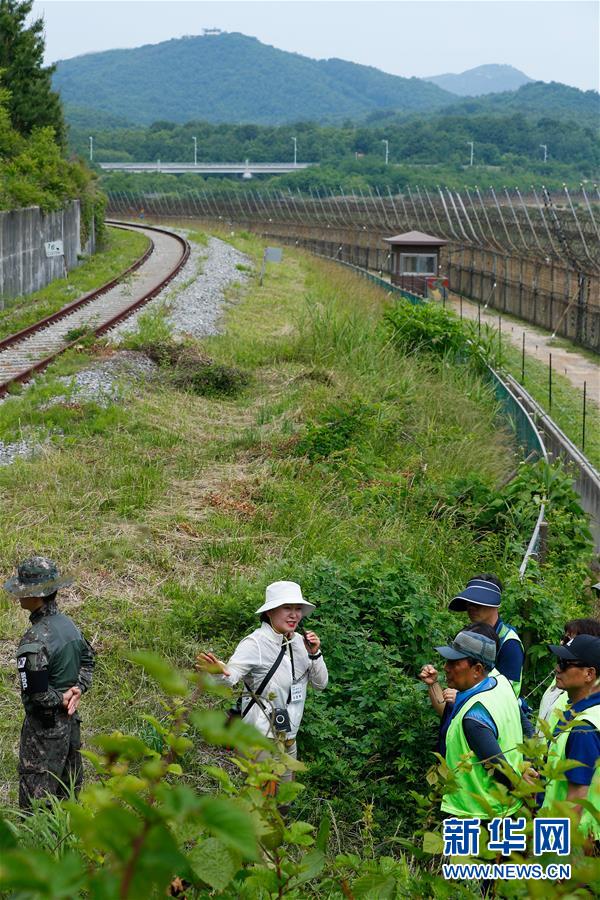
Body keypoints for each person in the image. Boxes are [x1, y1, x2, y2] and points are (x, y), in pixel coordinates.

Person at [198, 580, 328, 783]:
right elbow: (231, 678)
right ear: (270, 611)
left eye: (297, 609)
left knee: (283, 804)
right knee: (259, 804)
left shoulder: (301, 643)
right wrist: (218, 672)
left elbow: (321, 684)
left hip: (288, 739)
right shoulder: (255, 643)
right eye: (287, 608)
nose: (294, 615)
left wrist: (315, 653)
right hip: (259, 739)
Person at [4, 557, 95, 809]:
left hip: (43, 734)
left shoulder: (34, 640)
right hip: (71, 726)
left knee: (36, 806)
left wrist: (61, 697)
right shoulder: (69, 626)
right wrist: (78, 689)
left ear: (36, 595)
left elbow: (37, 695)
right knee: (68, 796)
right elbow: (89, 661)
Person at [424, 624, 525, 820]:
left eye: (454, 663)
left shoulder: (473, 718)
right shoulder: (499, 684)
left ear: (477, 669)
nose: (446, 667)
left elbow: (501, 770)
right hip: (504, 809)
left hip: (477, 814)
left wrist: (525, 791)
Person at [540, 634, 600, 846]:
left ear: (589, 674)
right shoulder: (581, 712)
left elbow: (577, 796)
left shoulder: (584, 728)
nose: (557, 668)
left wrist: (550, 851)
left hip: (577, 842)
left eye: (565, 664)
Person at [537, 618, 600, 735]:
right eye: (563, 638)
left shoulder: (584, 728)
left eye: (568, 639)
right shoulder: (564, 681)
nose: (562, 643)